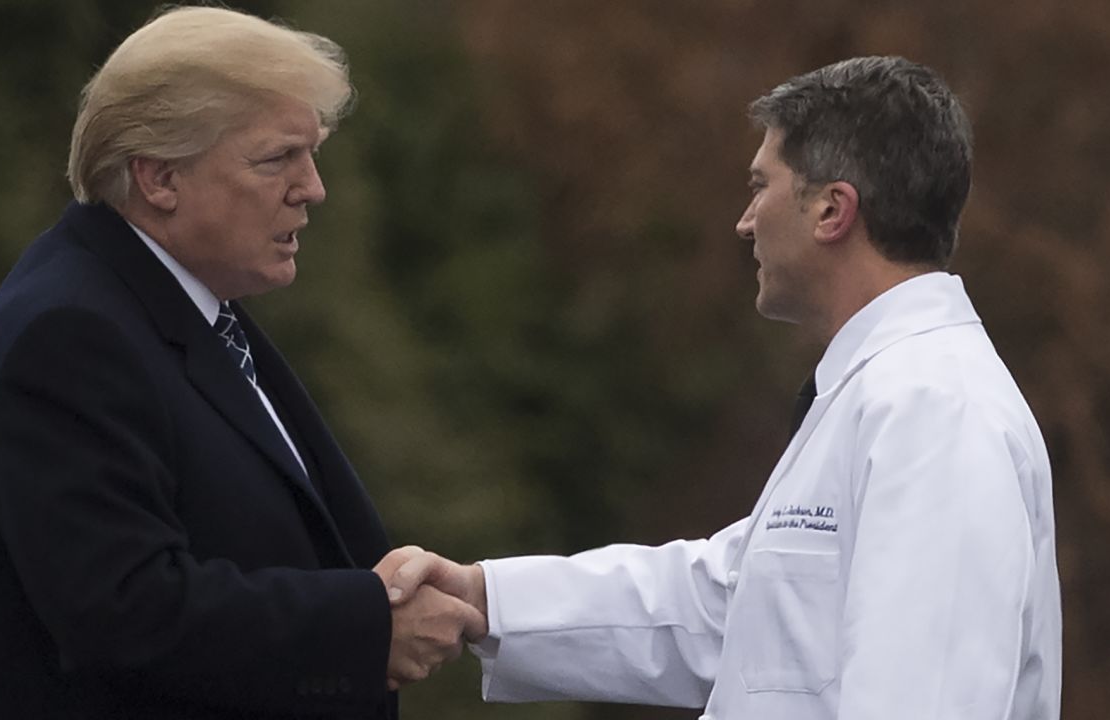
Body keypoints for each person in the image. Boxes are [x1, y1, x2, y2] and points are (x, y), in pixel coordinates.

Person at [384, 56, 1062, 719]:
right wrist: (485, 599)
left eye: (760, 185)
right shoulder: (886, 396)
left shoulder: (934, 411)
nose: (745, 221)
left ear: (832, 210)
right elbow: (725, 607)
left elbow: (923, 702)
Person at [0, 7, 481, 719]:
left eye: (312, 154)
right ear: (158, 178)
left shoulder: (177, 308)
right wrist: (366, 624)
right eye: (277, 157)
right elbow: (124, 612)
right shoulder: (70, 334)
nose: (312, 188)